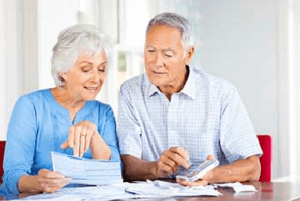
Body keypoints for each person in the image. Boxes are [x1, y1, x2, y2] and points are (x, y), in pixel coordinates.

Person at [117, 12, 262, 186]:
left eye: (168, 54)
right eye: (151, 51)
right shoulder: (130, 92)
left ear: (188, 54)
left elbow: (253, 168)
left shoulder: (222, 93)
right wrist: (156, 168)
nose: (156, 62)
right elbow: (127, 164)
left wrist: (211, 176)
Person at [0, 24, 120, 196]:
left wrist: (94, 135)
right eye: (86, 69)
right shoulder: (30, 106)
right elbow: (13, 177)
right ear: (63, 70)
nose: (97, 78)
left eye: (101, 69)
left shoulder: (104, 113)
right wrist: (40, 183)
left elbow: (115, 175)